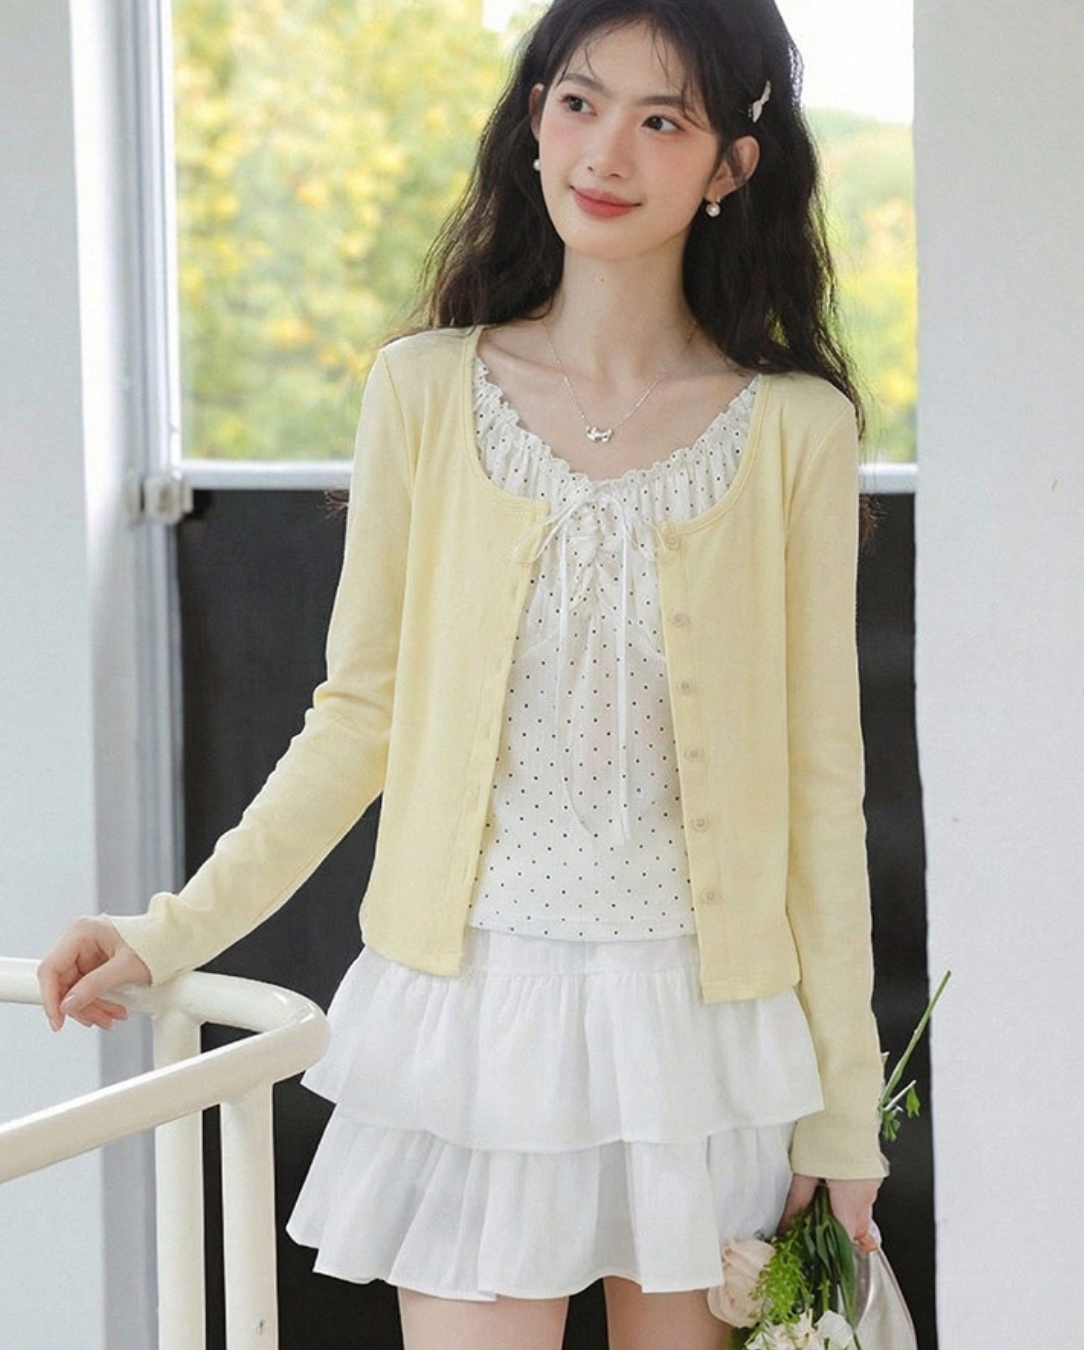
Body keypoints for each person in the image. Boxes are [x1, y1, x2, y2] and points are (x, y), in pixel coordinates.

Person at [37, 0, 888, 1346]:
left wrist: (843, 1116)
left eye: (662, 120)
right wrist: (170, 929)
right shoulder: (424, 392)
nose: (605, 150)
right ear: (534, 121)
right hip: (474, 1015)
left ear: (731, 165)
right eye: (579, 102)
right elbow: (356, 717)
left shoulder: (795, 430)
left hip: (703, 1033)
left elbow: (820, 794)